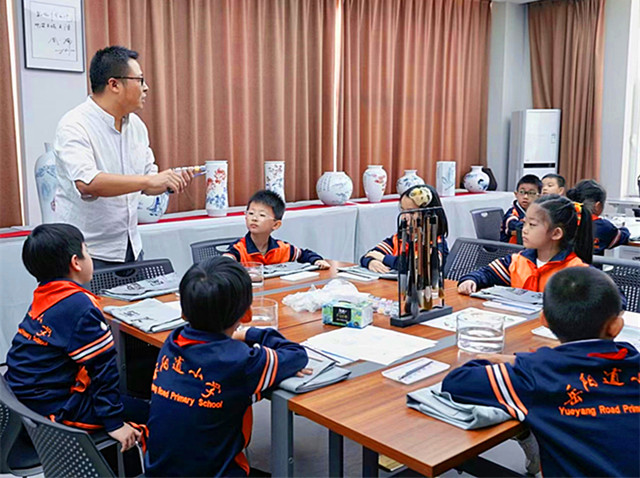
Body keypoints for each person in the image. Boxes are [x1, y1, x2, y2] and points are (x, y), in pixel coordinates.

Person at [442, 267, 640, 477]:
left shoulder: (537, 374)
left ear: (544, 320)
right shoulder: (633, 361)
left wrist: (518, 361)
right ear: (616, 326)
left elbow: (456, 382)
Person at [144, 256, 309, 477]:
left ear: (183, 312)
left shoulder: (172, 342)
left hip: (158, 471)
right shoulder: (240, 361)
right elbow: (296, 355)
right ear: (247, 314)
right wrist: (249, 334)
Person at [4, 224, 146, 453]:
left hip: (25, 405)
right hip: (53, 415)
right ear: (76, 262)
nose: (89, 256)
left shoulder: (46, 295)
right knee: (152, 413)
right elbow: (104, 368)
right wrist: (114, 423)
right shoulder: (79, 307)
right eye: (87, 251)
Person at [54, 45, 192, 268]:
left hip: (130, 247)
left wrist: (168, 181)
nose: (146, 88)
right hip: (85, 253)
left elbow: (148, 183)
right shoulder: (74, 124)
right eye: (140, 80)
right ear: (114, 84)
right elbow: (88, 183)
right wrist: (149, 181)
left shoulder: (136, 126)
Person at [459, 195, 592, 294]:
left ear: (556, 233)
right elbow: (486, 273)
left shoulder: (576, 272)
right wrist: (471, 280)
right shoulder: (517, 261)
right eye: (524, 223)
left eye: (532, 225)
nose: (524, 230)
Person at [225, 189, 331, 268]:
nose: (254, 218)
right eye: (251, 213)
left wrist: (317, 261)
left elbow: (304, 254)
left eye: (262, 215)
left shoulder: (282, 249)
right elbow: (224, 262)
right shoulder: (239, 248)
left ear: (276, 225)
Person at [360, 184, 449, 273]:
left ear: (429, 215)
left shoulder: (437, 243)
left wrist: (384, 258)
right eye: (403, 211)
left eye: (412, 212)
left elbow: (419, 265)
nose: (404, 217)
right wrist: (371, 262)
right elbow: (369, 255)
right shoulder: (399, 239)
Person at [566, 179, 631, 255]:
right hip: (590, 266)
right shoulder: (603, 227)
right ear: (598, 206)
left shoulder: (564, 221)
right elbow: (623, 236)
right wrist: (623, 228)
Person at [501, 175, 542, 244]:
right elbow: (514, 225)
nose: (525, 197)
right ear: (516, 194)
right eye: (522, 192)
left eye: (531, 193)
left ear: (539, 196)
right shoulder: (513, 212)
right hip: (510, 249)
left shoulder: (539, 211)